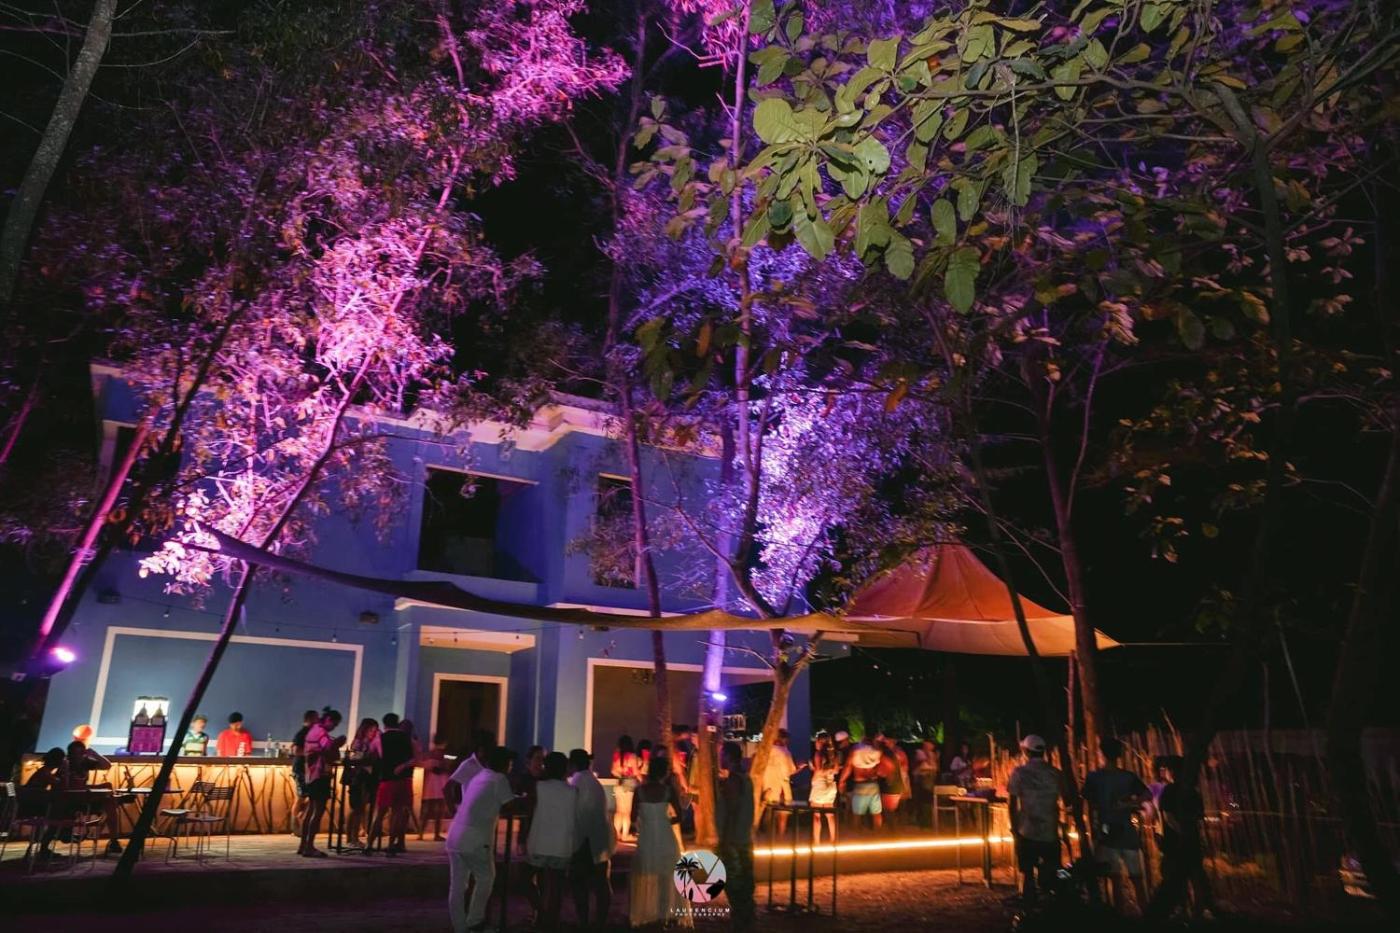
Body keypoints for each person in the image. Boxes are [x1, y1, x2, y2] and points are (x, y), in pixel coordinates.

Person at [446, 745, 518, 933]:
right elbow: (511, 805)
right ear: (503, 764)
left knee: (458, 885)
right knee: (486, 877)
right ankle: (475, 921)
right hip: (476, 839)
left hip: (455, 835)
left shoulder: (479, 776)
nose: (511, 766)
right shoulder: (499, 779)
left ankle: (460, 927)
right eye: (510, 763)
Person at [1082, 736, 1150, 915]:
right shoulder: (1128, 777)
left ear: (1101, 753)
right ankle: (1147, 918)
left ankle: (1118, 917)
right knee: (1137, 879)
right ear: (1119, 755)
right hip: (1128, 833)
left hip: (1107, 833)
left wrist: (1093, 831)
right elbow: (1147, 794)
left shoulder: (1094, 777)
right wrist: (1130, 804)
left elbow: (1089, 806)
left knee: (1115, 879)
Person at [1147, 755, 1216, 921]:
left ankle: (1181, 909)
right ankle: (1197, 911)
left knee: (1176, 876)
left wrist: (1179, 832)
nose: (1166, 772)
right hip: (1192, 840)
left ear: (1172, 771)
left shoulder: (1169, 790)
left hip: (1174, 842)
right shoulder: (1192, 791)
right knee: (1195, 874)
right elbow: (1199, 817)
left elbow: (1168, 817)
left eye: (1167, 769)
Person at [629, 753, 690, 929]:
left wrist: (646, 819)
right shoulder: (668, 791)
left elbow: (633, 816)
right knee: (666, 874)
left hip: (647, 836)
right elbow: (680, 816)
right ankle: (664, 913)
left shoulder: (639, 791)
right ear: (664, 772)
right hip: (665, 835)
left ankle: (648, 913)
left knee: (646, 872)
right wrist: (665, 820)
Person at [1007, 735, 1067, 905]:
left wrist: (1014, 828)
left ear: (1026, 752)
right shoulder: (1055, 774)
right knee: (1053, 869)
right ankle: (1053, 903)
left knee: (1027, 871)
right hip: (1050, 830)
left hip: (1027, 830)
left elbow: (1012, 803)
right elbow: (1067, 799)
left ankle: (1028, 905)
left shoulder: (1019, 773)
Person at [526, 751, 577, 930]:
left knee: (525, 879)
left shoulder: (538, 787)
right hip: (562, 845)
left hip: (539, 843)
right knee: (556, 888)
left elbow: (529, 812)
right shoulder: (572, 791)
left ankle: (541, 912)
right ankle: (551, 922)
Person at [568, 747, 614, 928]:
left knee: (580, 884)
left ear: (573, 764)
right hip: (599, 839)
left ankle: (585, 921)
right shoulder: (594, 782)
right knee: (600, 882)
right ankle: (600, 921)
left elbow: (576, 813)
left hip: (584, 840)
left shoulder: (577, 782)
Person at [717, 741, 755, 932]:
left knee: (734, 883)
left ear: (729, 757)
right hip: (744, 837)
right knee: (744, 882)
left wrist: (724, 840)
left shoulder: (733, 780)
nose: (719, 758)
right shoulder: (746, 779)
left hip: (733, 840)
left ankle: (741, 920)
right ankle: (745, 919)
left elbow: (731, 811)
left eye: (722, 754)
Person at [298, 707, 345, 857]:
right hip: (319, 775)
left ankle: (303, 845)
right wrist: (338, 742)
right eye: (334, 724)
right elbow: (329, 750)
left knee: (310, 810)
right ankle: (309, 847)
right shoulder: (321, 733)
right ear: (329, 719)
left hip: (311, 775)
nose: (334, 727)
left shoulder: (313, 730)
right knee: (317, 812)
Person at [64, 739, 123, 853]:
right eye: (76, 754)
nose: (79, 756)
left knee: (110, 802)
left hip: (84, 797)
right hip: (71, 799)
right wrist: (94, 789)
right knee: (107, 792)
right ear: (70, 754)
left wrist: (94, 754)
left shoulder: (85, 763)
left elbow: (107, 765)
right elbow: (72, 787)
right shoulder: (66, 765)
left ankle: (114, 840)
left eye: (81, 753)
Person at [371, 713, 415, 854]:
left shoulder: (380, 738)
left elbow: (373, 753)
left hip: (387, 778)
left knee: (380, 813)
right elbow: (412, 758)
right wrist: (402, 766)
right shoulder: (406, 738)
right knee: (397, 813)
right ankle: (391, 845)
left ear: (384, 724)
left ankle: (368, 845)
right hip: (404, 779)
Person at [839, 733, 890, 832]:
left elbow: (848, 766)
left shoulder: (856, 750)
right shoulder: (877, 751)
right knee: (876, 813)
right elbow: (886, 765)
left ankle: (858, 834)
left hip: (860, 785)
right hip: (873, 784)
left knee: (857, 814)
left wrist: (842, 781)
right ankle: (877, 834)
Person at [343, 717, 380, 848]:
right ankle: (351, 837)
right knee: (356, 808)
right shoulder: (359, 743)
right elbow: (356, 759)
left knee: (360, 808)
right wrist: (369, 757)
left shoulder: (370, 742)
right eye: (371, 730)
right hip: (358, 778)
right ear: (365, 729)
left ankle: (353, 837)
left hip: (367, 777)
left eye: (375, 730)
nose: (373, 733)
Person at [761, 728, 799, 836]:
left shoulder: (765, 751)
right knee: (783, 813)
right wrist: (798, 768)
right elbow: (789, 770)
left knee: (768, 812)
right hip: (781, 786)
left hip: (767, 787)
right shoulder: (784, 752)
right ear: (783, 739)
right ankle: (780, 836)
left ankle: (767, 836)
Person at [446, 729, 495, 809]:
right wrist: (453, 811)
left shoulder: (488, 766)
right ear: (480, 749)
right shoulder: (469, 765)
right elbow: (448, 788)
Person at [289, 709, 319, 833]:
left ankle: (300, 819)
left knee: (310, 796)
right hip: (300, 769)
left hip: (308, 769)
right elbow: (296, 750)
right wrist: (312, 752)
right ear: (310, 719)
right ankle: (295, 826)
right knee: (301, 797)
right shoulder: (302, 733)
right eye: (316, 718)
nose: (318, 721)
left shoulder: (311, 733)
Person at [419, 732, 451, 841]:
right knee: (439, 809)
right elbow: (445, 767)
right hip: (441, 782)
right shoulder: (443, 754)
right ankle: (436, 834)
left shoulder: (430, 753)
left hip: (430, 782)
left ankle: (420, 833)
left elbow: (424, 764)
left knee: (427, 808)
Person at [808, 740, 840, 844]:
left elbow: (819, 771)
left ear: (821, 742)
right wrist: (830, 771)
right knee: (830, 815)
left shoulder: (818, 754)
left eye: (817, 740)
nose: (815, 742)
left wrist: (813, 769)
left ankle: (817, 842)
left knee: (816, 815)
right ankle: (833, 840)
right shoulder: (834, 755)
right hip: (831, 785)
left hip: (819, 785)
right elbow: (836, 770)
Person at [610, 734, 641, 842]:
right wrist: (642, 780)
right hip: (629, 785)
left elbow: (613, 771)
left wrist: (621, 774)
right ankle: (625, 834)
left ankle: (616, 834)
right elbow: (636, 772)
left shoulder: (617, 756)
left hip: (619, 785)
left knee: (619, 811)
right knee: (627, 812)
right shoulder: (632, 756)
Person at [876, 729, 910, 826]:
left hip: (895, 781)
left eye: (887, 740)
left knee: (893, 807)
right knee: (889, 807)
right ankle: (893, 826)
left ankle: (896, 827)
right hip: (891, 782)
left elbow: (904, 767)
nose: (885, 742)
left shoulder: (897, 752)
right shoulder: (885, 752)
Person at [912, 738, 939, 828]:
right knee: (921, 801)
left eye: (932, 745)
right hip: (921, 780)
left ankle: (927, 821)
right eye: (929, 744)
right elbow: (922, 765)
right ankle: (920, 821)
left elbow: (935, 767)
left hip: (930, 781)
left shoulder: (932, 754)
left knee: (928, 802)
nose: (931, 746)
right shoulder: (919, 752)